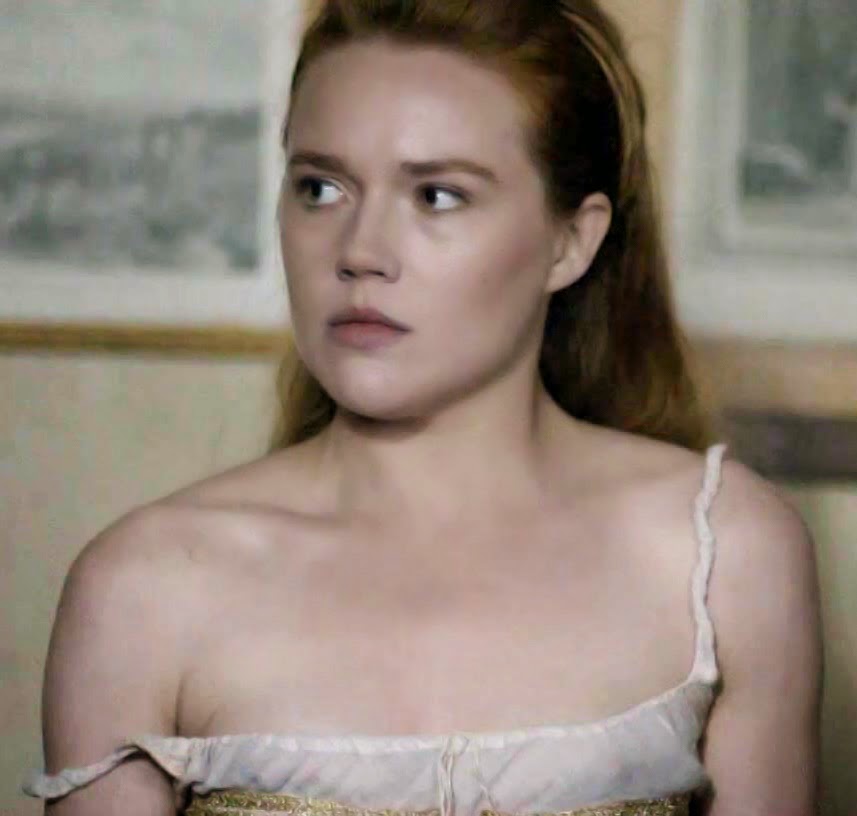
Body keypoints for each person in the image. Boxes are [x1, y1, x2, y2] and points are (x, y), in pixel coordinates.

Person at [22, 1, 824, 815]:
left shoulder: (719, 555)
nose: (360, 252)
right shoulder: (145, 588)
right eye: (321, 188)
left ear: (570, 242)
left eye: (437, 196)